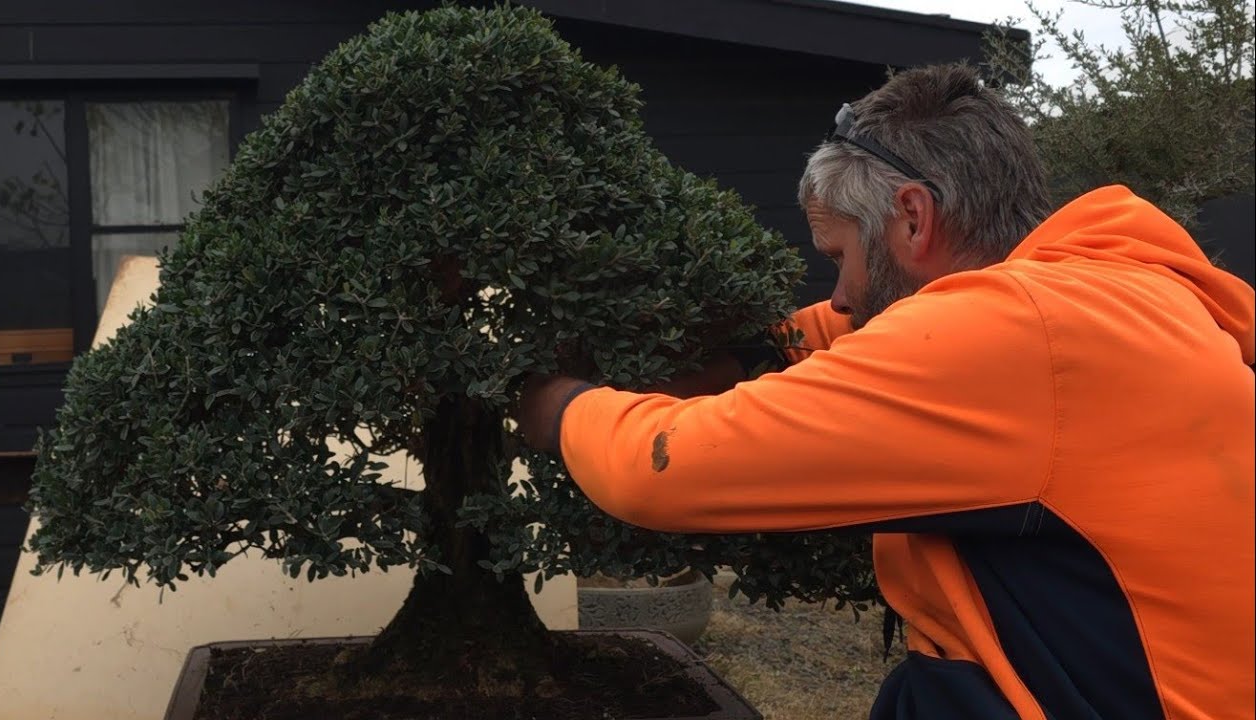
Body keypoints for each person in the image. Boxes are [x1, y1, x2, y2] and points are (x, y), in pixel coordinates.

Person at [516, 64, 1255, 719]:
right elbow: (848, 332)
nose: (837, 295)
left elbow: (658, 468)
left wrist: (556, 405)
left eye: (840, 255)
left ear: (912, 216)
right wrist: (754, 349)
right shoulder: (1111, 292)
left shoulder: (1015, 334)